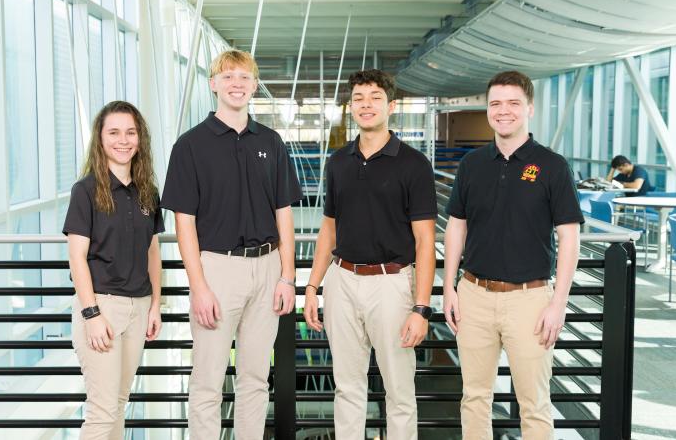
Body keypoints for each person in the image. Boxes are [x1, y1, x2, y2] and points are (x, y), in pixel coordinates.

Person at [161, 49, 302, 438]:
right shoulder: (189, 146)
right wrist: (199, 286)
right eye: (228, 77)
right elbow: (184, 223)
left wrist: (288, 276)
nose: (236, 84)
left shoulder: (271, 142)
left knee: (255, 379)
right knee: (208, 382)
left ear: (254, 86)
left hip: (268, 266)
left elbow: (284, 214)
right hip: (217, 270)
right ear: (213, 84)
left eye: (244, 77)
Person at [443, 70, 584, 440]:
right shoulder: (471, 165)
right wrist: (449, 287)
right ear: (488, 109)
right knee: (474, 398)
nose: (503, 111)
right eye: (496, 104)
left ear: (529, 109)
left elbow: (569, 237)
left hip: (531, 301)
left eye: (513, 103)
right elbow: (456, 227)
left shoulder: (552, 166)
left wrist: (558, 303)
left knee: (534, 403)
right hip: (473, 294)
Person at [303, 69, 438, 440]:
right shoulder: (339, 162)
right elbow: (328, 229)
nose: (366, 105)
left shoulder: (413, 164)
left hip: (392, 284)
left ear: (391, 106)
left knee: (399, 391)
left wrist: (421, 307)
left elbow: (426, 241)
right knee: (347, 388)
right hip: (342, 281)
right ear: (351, 107)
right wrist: (313, 286)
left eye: (375, 97)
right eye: (359, 98)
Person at [64, 101, 164, 439]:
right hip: (102, 307)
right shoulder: (86, 190)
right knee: (103, 411)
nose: (123, 140)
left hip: (138, 308)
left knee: (118, 403)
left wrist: (155, 305)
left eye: (130, 132)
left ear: (140, 139)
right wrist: (91, 314)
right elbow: (77, 257)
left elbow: (152, 249)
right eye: (114, 132)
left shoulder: (147, 190)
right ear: (101, 138)